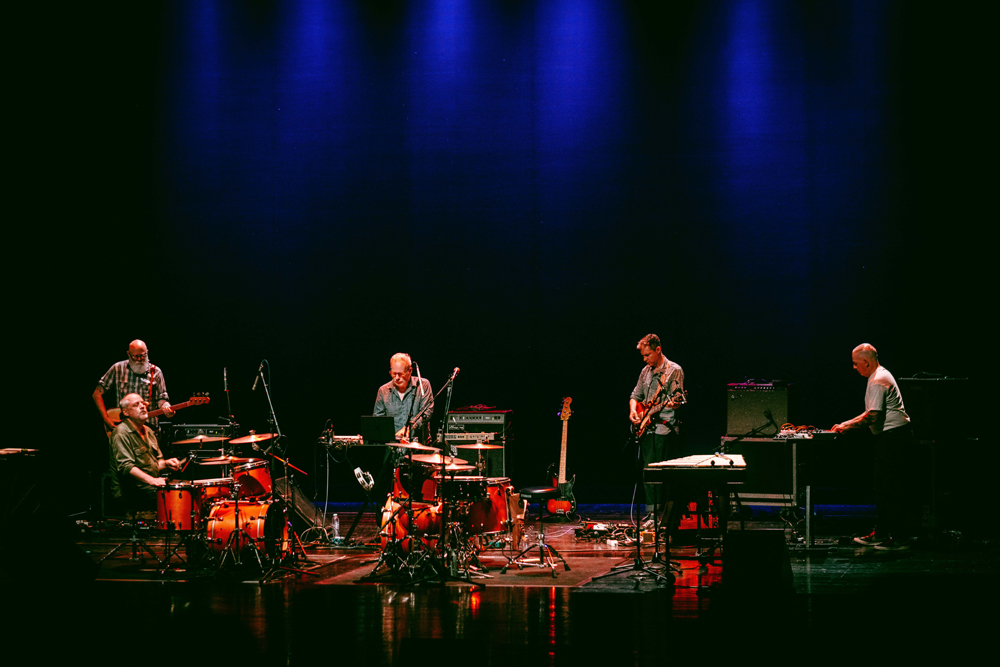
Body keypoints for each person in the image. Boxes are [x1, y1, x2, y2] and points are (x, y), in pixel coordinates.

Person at [832, 343, 913, 551]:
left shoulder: (878, 380)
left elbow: (873, 416)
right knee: (883, 488)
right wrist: (844, 424)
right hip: (890, 438)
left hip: (894, 439)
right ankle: (883, 532)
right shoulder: (877, 377)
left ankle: (900, 537)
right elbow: (870, 412)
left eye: (855, 363)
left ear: (866, 362)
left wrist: (847, 427)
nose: (854, 367)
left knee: (890, 489)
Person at [628, 334, 685, 529]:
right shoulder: (646, 371)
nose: (645, 359)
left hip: (664, 428)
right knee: (647, 472)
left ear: (658, 349)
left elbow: (677, 399)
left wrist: (673, 404)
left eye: (648, 355)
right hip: (647, 429)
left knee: (660, 475)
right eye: (643, 356)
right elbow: (636, 395)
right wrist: (633, 411)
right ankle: (651, 514)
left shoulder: (673, 370)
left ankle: (663, 516)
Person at [109, 393, 182, 515]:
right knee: (176, 502)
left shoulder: (148, 430)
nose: (143, 406)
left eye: (143, 403)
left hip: (149, 488)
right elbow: (126, 466)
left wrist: (166, 463)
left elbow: (155, 463)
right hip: (132, 493)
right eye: (136, 405)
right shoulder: (121, 433)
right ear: (126, 412)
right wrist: (152, 480)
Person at [93, 339, 173, 434]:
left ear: (147, 352)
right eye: (135, 356)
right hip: (123, 429)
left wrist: (167, 407)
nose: (139, 359)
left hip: (149, 430)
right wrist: (106, 418)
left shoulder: (156, 372)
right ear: (128, 354)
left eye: (142, 355)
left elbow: (162, 399)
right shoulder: (118, 368)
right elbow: (97, 393)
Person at [374, 353, 434, 443]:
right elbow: (378, 421)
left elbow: (426, 413)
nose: (397, 378)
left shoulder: (423, 385)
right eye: (393, 374)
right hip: (393, 448)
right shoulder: (383, 390)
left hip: (419, 447)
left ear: (410, 370)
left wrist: (409, 429)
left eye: (400, 374)